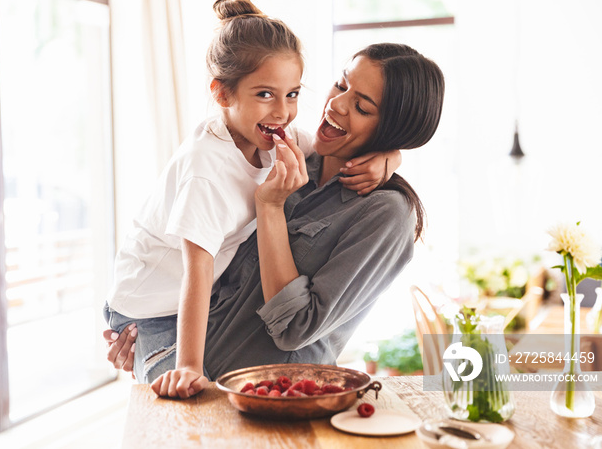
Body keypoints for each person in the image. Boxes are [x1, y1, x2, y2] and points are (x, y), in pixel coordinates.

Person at [106, 41, 445, 399]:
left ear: (392, 129)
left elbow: (297, 328)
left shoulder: (386, 213)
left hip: (270, 399)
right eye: (341, 85)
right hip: (191, 374)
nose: (336, 104)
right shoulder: (287, 159)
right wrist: (150, 336)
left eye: (361, 107)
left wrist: (270, 209)